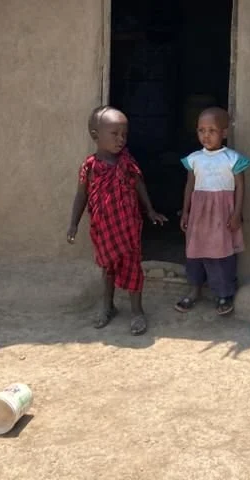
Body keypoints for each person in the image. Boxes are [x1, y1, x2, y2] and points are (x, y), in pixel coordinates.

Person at [67, 106, 167, 335]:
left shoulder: (127, 163)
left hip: (127, 226)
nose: (121, 139)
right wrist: (73, 223)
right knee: (108, 268)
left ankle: (137, 311)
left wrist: (150, 210)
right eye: (114, 134)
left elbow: (139, 185)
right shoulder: (90, 166)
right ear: (96, 135)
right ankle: (107, 306)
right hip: (104, 228)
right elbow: (81, 195)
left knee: (132, 267)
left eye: (124, 134)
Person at [175, 107, 250, 317]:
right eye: (201, 130)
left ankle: (224, 293)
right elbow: (189, 186)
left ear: (224, 132)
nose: (206, 135)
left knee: (221, 253)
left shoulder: (232, 158)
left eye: (212, 130)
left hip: (221, 214)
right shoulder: (194, 159)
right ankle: (195, 289)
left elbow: (241, 187)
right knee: (195, 251)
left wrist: (236, 213)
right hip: (199, 214)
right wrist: (186, 212)